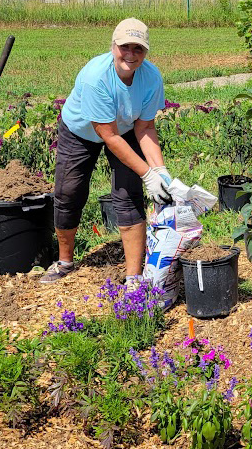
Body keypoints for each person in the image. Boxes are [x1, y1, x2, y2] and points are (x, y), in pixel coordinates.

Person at [41, 18, 171, 284]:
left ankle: (134, 278)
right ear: (113, 46)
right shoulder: (95, 77)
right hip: (80, 131)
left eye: (139, 49)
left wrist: (160, 170)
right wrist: (148, 174)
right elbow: (108, 136)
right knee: (69, 191)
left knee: (128, 194)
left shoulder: (151, 77)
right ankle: (64, 261)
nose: (131, 55)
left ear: (146, 52)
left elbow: (145, 127)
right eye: (125, 47)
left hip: (124, 130)